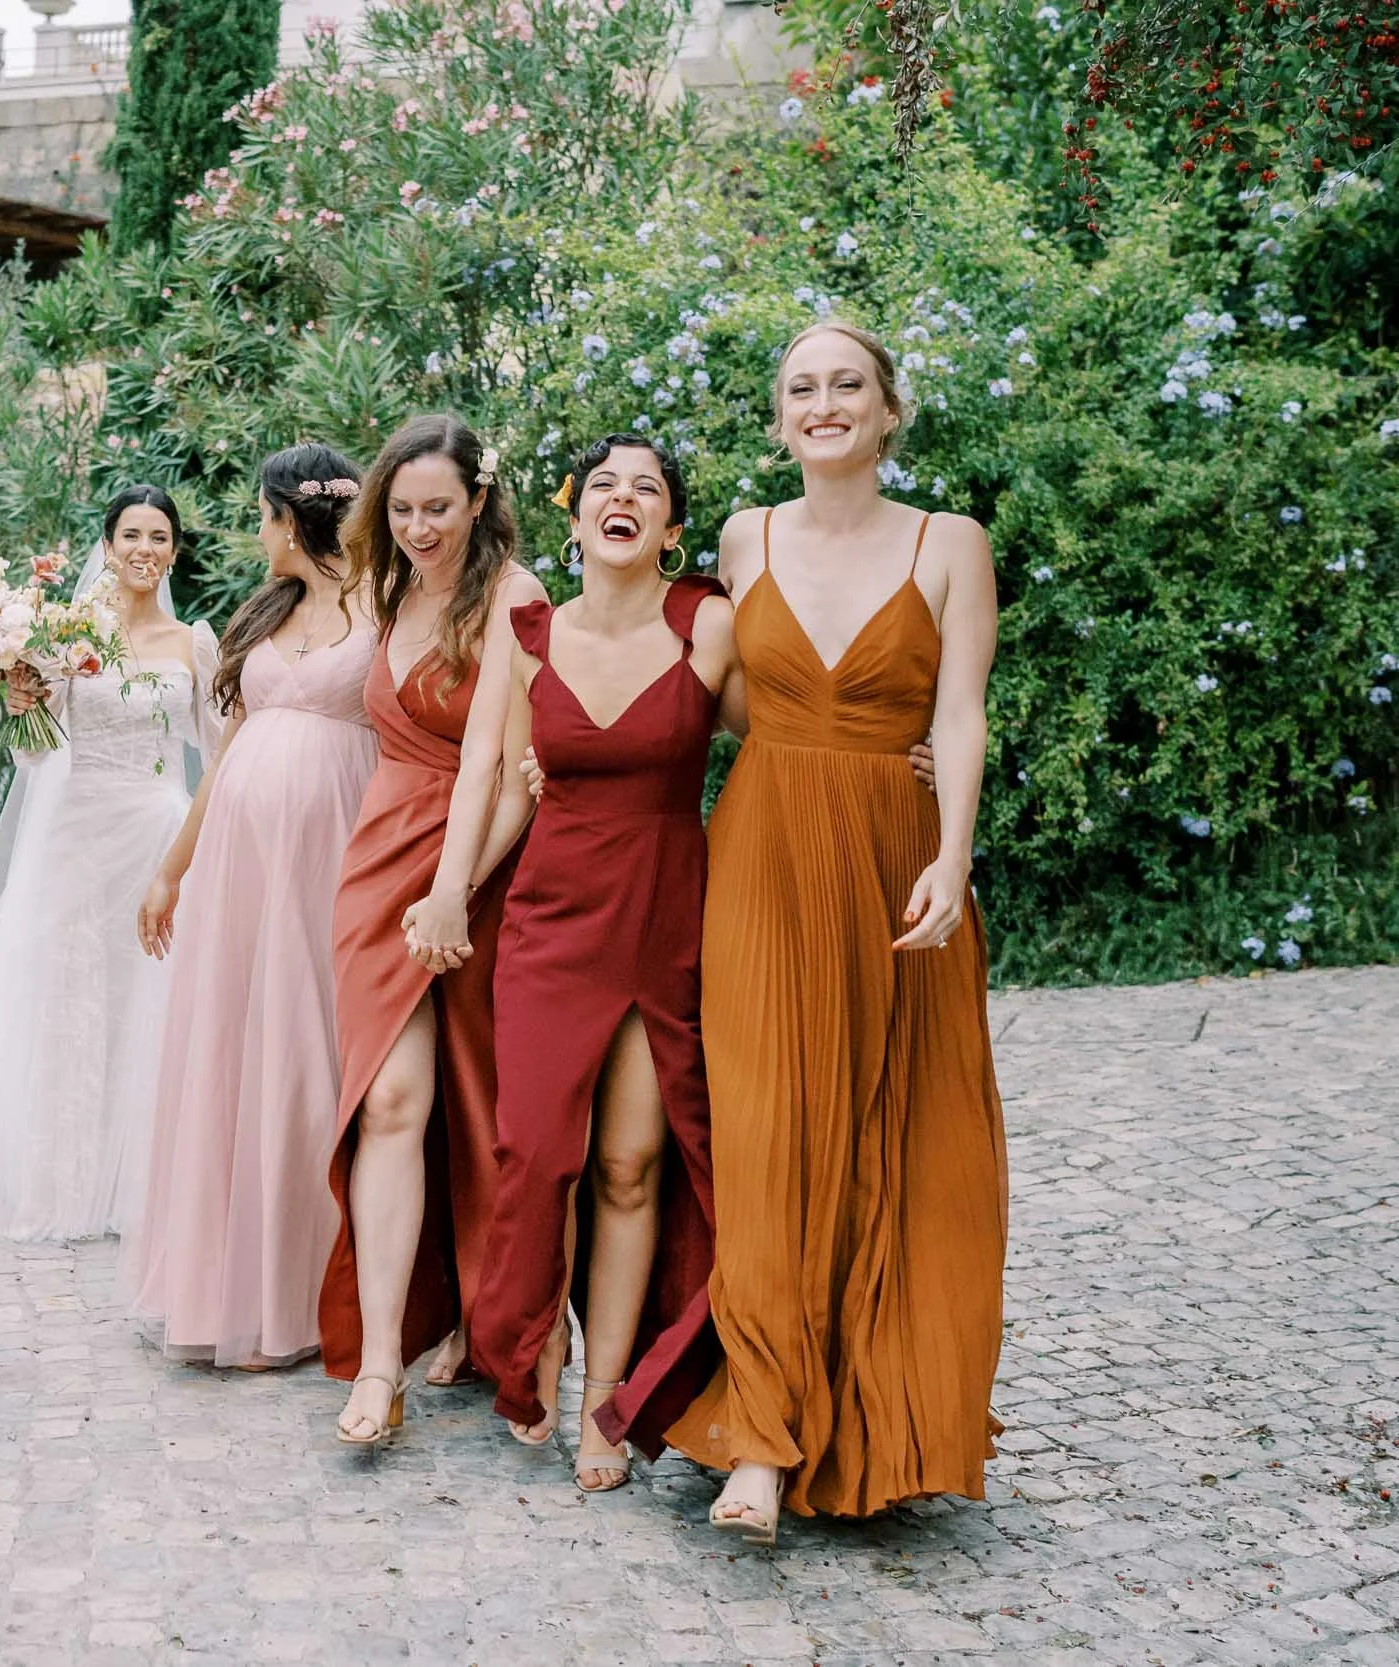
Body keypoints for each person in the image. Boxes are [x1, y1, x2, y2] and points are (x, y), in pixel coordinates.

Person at [662, 320, 1006, 1546]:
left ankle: (883, 1421)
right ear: (778, 417)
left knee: (900, 1132)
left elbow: (958, 711)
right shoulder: (743, 537)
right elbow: (725, 699)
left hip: (894, 856)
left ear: (888, 407)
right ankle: (758, 1439)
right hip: (759, 850)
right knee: (766, 1134)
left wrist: (951, 853)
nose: (823, 403)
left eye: (845, 383)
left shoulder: (949, 543)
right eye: (800, 388)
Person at [415, 434, 730, 1489]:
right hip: (550, 917)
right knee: (537, 1152)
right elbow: (495, 778)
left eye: (646, 487)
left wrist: (891, 750)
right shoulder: (528, 631)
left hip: (661, 917)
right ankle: (534, 1336)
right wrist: (454, 886)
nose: (622, 497)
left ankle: (609, 1386)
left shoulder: (707, 622)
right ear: (577, 515)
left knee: (632, 1164)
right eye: (603, 483)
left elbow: (782, 733)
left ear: (671, 527)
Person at [122, 443, 376, 1370]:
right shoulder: (262, 614)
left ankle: (305, 1295)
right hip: (239, 866)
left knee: (309, 1055)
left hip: (332, 858)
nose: (255, 532)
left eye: (262, 516)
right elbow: (225, 756)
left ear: (291, 518)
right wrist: (171, 869)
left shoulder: (386, 610)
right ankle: (230, 1286)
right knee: (236, 1053)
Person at [320, 414, 543, 1447]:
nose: (418, 526)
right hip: (380, 861)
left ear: (478, 501)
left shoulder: (513, 596)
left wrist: (457, 890)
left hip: (484, 862)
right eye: (401, 508)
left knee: (482, 1101)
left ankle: (489, 1320)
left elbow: (505, 767)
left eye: (437, 508)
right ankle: (377, 1365)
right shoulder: (384, 587)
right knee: (393, 1098)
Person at [0, 486, 219, 1241]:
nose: (145, 548)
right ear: (107, 547)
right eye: (131, 535)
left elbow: (218, 756)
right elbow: (37, 754)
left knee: (151, 1000)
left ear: (174, 551)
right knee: (74, 998)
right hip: (77, 833)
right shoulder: (68, 636)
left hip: (157, 832)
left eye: (159, 536)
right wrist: (20, 701)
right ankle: (66, 1179)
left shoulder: (195, 644)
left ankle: (144, 1179)